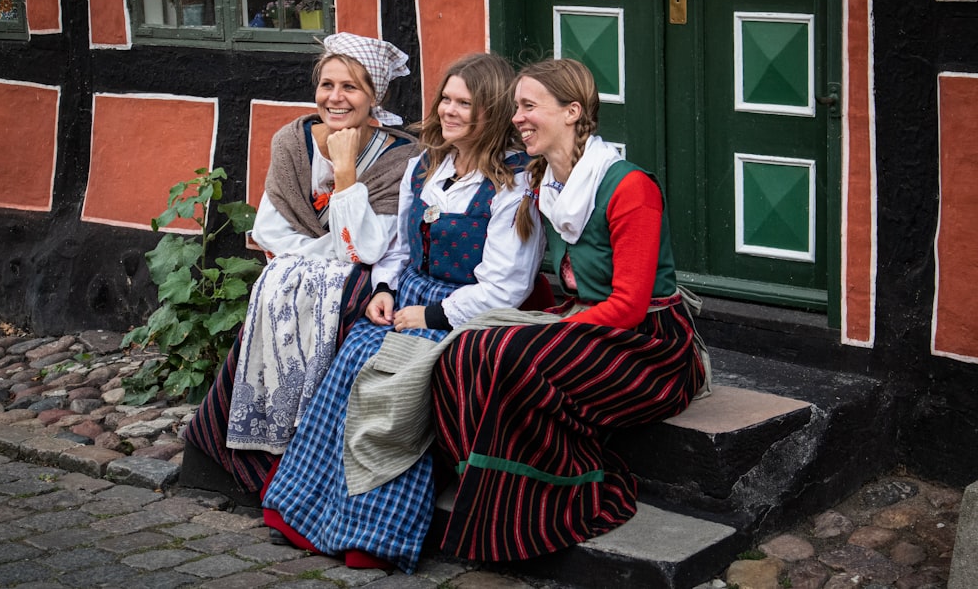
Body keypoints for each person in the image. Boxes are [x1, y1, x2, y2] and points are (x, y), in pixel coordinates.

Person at [260, 52, 546, 572]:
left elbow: (507, 286)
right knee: (351, 359)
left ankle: (374, 533)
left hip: (468, 312)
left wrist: (431, 316)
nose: (451, 111)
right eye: (447, 99)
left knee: (395, 384)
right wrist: (385, 288)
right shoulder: (428, 164)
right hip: (410, 296)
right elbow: (396, 247)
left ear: (496, 110)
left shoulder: (514, 182)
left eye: (467, 103)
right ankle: (303, 513)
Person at [429, 58, 709, 562]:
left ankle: (563, 495)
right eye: (516, 107)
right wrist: (510, 324)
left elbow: (626, 308)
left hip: (650, 346)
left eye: (529, 106)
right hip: (586, 327)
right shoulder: (546, 186)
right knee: (462, 351)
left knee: (515, 358)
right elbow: (533, 279)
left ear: (573, 112)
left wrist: (537, 332)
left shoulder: (629, 188)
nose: (516, 117)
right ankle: (495, 496)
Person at [181, 32, 418, 494]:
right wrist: (323, 257)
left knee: (344, 296)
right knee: (279, 287)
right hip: (303, 268)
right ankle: (242, 457)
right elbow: (271, 231)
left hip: (372, 279)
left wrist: (346, 172)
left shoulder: (399, 157)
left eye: (351, 87)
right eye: (327, 84)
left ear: (375, 95)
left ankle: (314, 462)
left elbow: (367, 251)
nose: (335, 97)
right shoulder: (293, 141)